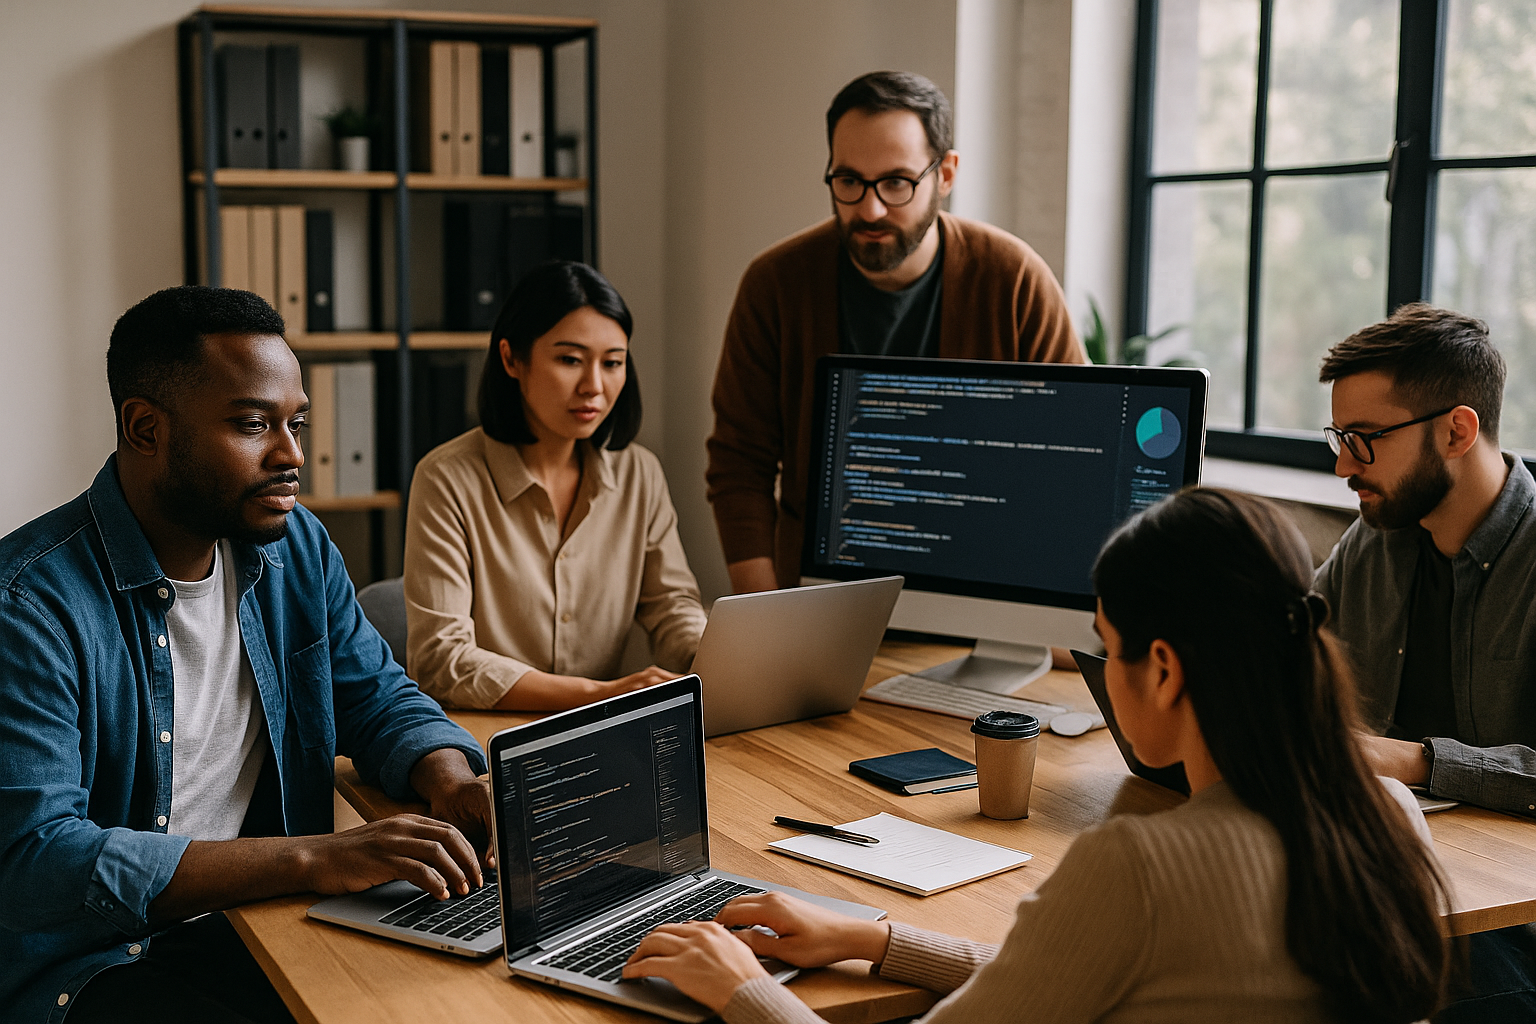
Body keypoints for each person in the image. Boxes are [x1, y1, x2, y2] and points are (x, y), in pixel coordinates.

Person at [622, 489, 1451, 1024]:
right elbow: (1074, 973)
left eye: (1108, 646)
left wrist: (742, 990)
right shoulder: (1389, 816)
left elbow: (1097, 953)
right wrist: (874, 941)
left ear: (1164, 670)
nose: (1103, 668)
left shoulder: (1139, 867)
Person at [0, 287, 493, 1024]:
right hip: (98, 961)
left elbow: (376, 696)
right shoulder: (28, 605)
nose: (291, 455)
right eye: (253, 424)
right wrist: (315, 856)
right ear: (145, 428)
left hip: (261, 918)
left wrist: (450, 778)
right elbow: (37, 858)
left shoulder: (296, 548)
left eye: (296, 423)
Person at [707, 70, 1086, 594]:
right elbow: (738, 464)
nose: (870, 209)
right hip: (816, 592)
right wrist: (766, 609)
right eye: (848, 181)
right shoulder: (775, 283)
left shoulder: (1014, 279)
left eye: (896, 183)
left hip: (982, 584)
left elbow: (1072, 453)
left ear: (945, 175)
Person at [1311, 302, 1536, 1020]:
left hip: (1510, 916)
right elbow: (1290, 647)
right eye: (1339, 438)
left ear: (1457, 431)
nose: (1344, 465)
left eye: (1365, 439)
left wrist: (1410, 760)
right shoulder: (1378, 537)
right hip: (1391, 872)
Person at [404, 261, 706, 711]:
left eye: (613, 363)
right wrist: (600, 694)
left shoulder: (639, 473)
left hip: (604, 731)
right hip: (488, 733)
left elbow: (672, 606)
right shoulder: (446, 478)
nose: (594, 386)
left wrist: (712, 657)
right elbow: (441, 659)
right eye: (570, 360)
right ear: (512, 359)